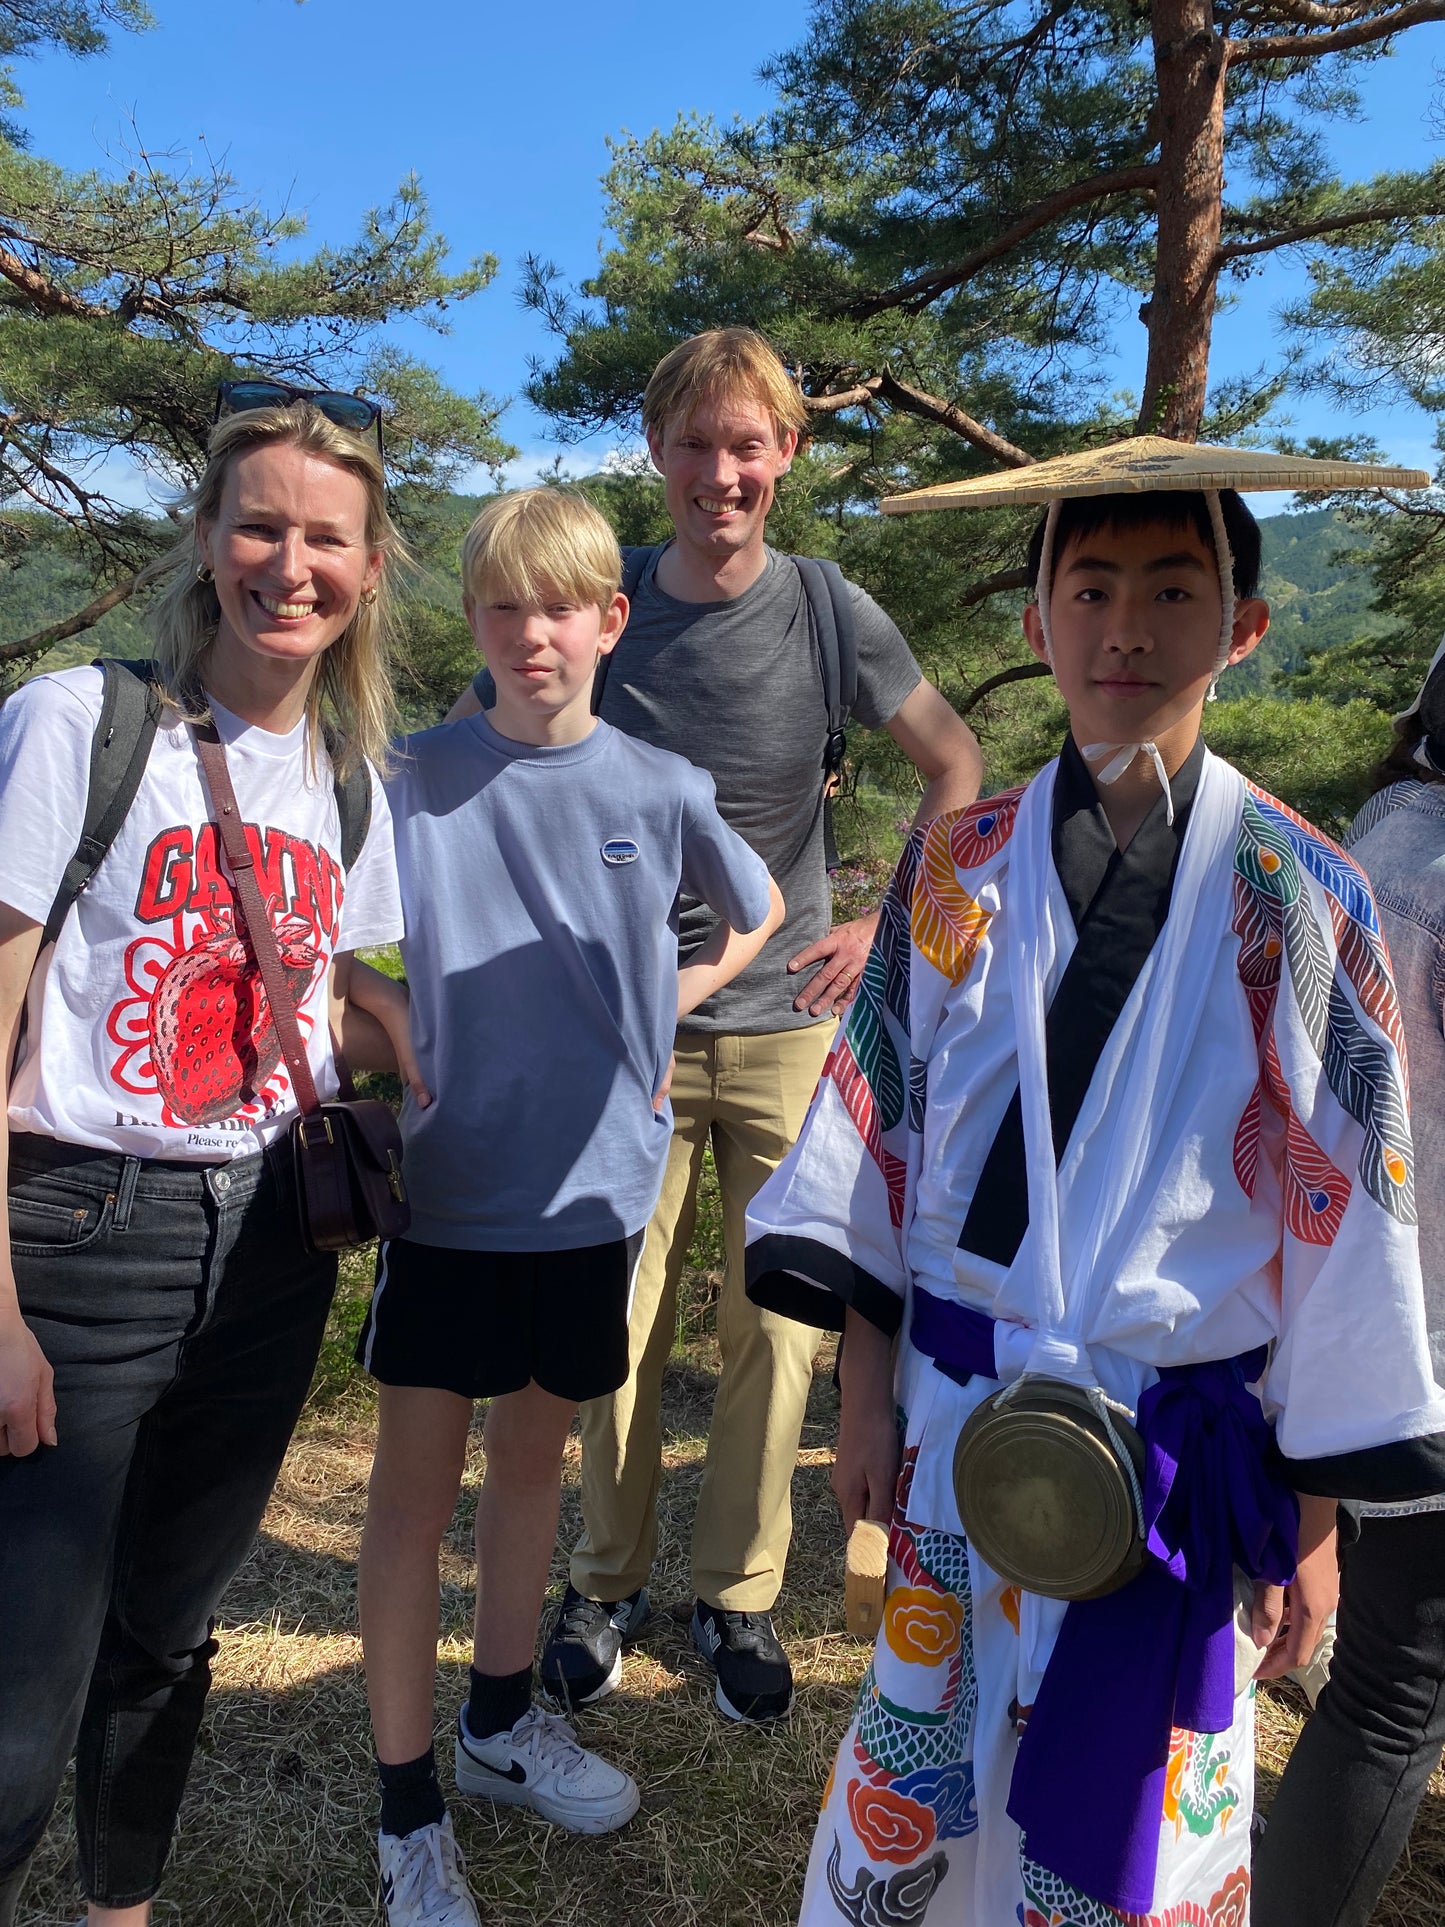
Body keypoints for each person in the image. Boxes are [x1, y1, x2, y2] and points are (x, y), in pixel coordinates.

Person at [745, 437, 1445, 1925]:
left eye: (1173, 590)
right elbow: (877, 1151)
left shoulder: (1298, 891)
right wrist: (864, 1395)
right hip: (959, 1420)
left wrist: (1310, 1515)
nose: (1126, 628)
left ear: (1240, 627)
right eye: (1092, 588)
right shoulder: (957, 870)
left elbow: (1344, 1228)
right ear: (1036, 623)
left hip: (1176, 1452)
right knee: (924, 1787)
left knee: (1127, 1829)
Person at [450, 328, 983, 1725]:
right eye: (694, 444)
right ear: (654, 453)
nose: (720, 473)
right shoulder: (605, 602)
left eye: (746, 445)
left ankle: (738, 1596)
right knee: (607, 1323)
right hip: (614, 1034)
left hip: (788, 1023)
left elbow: (954, 764)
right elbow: (484, 755)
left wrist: (878, 923)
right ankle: (602, 1578)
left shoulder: (826, 609)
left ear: (785, 455)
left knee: (780, 1328)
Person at [0, 390, 409, 1927]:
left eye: (324, 536)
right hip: (78, 1229)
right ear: (205, 538)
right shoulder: (82, 724)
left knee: (169, 1637)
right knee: (18, 1684)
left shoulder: (352, 783)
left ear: (370, 568)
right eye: (259, 524)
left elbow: (328, 1006)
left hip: (264, 1255)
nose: (286, 563)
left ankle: (122, 1912)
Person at [352, 488, 784, 1927]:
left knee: (532, 1475)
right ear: (470, 620)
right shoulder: (404, 774)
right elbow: (314, 930)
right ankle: (406, 1810)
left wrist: (674, 1001)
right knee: (412, 1510)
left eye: (559, 608)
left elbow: (760, 912)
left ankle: (496, 1729)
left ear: (610, 618)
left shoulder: (656, 787)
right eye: (500, 608)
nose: (530, 634)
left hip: (593, 1195)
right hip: (447, 1197)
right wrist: (378, 1010)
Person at [1253, 639, 1445, 1927]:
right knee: (1397, 1686)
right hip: (1418, 1343)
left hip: (1358, 1324)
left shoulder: (1382, 833)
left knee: (1379, 1665)